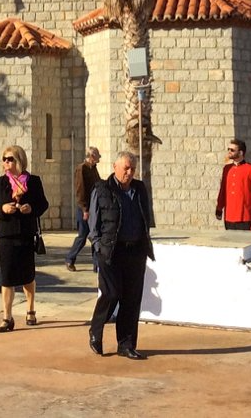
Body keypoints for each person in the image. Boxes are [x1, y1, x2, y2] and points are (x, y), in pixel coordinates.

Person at [88, 151, 154, 360]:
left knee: (131, 299)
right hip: (110, 252)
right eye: (126, 168)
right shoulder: (102, 189)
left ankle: (126, 344)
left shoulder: (140, 189)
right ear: (115, 167)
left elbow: (145, 217)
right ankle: (95, 331)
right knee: (112, 293)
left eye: (132, 168)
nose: (129, 172)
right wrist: (98, 246)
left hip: (135, 251)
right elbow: (93, 223)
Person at [0, 144, 48, 333]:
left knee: (28, 275)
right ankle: (7, 317)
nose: (6, 162)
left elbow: (43, 204)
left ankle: (30, 310)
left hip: (26, 234)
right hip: (6, 234)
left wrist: (31, 209)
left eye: (10, 158)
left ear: (19, 160)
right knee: (7, 277)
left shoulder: (33, 181)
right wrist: (2, 209)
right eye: (4, 159)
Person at [215, 138, 251, 230]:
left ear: (241, 153)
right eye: (228, 149)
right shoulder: (227, 169)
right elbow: (223, 190)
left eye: (232, 150)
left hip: (245, 215)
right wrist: (219, 208)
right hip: (229, 215)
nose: (229, 152)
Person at [65, 146, 101, 272]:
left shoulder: (93, 169)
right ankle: (70, 259)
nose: (99, 158)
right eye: (97, 155)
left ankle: (97, 264)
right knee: (83, 235)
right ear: (91, 156)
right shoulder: (82, 169)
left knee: (95, 234)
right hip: (85, 208)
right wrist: (85, 209)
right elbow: (80, 190)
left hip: (94, 207)